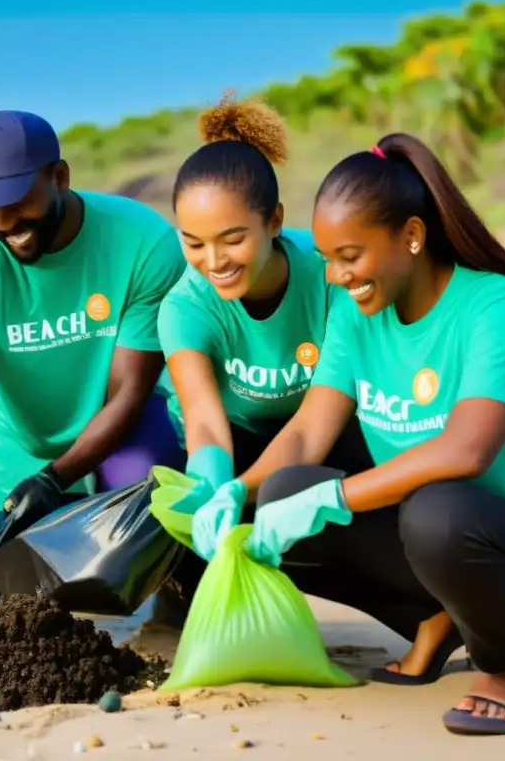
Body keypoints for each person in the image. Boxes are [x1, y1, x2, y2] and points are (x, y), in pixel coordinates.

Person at [226, 134, 505, 735]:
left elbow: (468, 451)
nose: (335, 276)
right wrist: (234, 495)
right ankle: (442, 615)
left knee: (436, 510)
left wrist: (331, 498)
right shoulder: (358, 318)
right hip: (450, 538)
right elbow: (309, 431)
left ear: (411, 236)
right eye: (329, 258)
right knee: (284, 494)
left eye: (351, 255)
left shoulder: (495, 306)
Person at [0, 108, 187, 537]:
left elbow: (128, 392)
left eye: (18, 200)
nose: (4, 224)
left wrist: (54, 480)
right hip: (22, 440)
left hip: (128, 429)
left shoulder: (142, 242)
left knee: (148, 528)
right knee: (30, 599)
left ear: (59, 177)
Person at [156, 93, 372, 562]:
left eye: (232, 240)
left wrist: (242, 491)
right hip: (236, 438)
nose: (213, 262)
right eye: (193, 243)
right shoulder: (184, 308)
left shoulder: (330, 273)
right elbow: (206, 424)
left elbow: (320, 420)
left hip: (325, 427)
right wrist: (215, 491)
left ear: (274, 221)